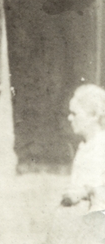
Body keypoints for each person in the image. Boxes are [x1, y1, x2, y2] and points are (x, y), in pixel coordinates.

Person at [57, 84, 105, 240]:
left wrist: (84, 192)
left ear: (94, 116)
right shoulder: (84, 146)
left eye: (74, 113)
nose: (69, 118)